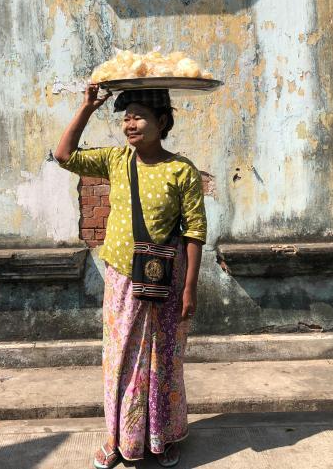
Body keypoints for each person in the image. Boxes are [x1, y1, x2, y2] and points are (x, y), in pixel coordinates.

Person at [54, 84, 207, 468]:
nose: (130, 124)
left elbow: (194, 232)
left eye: (139, 116)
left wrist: (189, 289)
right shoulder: (116, 160)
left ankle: (163, 437)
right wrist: (87, 107)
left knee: (162, 361)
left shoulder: (181, 169)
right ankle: (116, 438)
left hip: (167, 281)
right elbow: (64, 155)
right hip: (122, 279)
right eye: (125, 117)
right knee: (120, 358)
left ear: (163, 122)